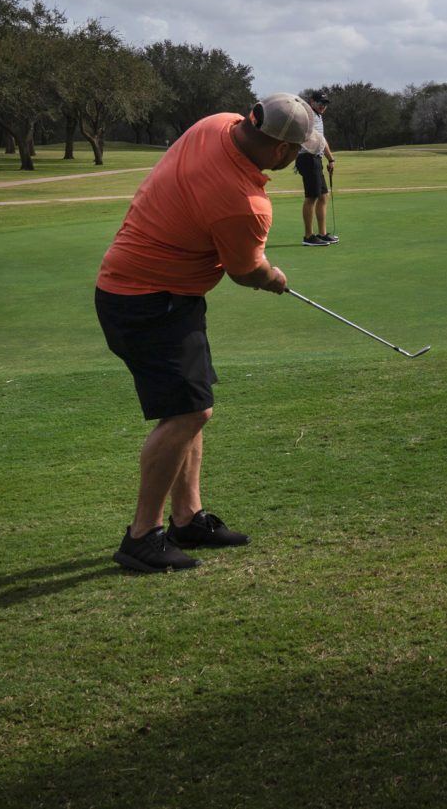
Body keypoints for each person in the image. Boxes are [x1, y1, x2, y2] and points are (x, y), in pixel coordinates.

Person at [93, 93, 308, 574]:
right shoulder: (245, 204)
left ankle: (187, 518)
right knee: (189, 412)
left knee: (192, 406)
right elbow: (245, 270)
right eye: (297, 153)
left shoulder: (216, 123)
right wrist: (275, 278)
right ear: (280, 151)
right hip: (149, 300)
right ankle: (142, 537)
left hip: (153, 291)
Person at [297, 90, 337, 247]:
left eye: (325, 104)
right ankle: (308, 236)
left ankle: (322, 233)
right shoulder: (308, 115)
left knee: (323, 196)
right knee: (312, 197)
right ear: (312, 101)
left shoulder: (319, 117)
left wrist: (331, 159)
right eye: (320, 103)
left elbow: (322, 140)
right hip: (307, 158)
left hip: (316, 158)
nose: (323, 106)